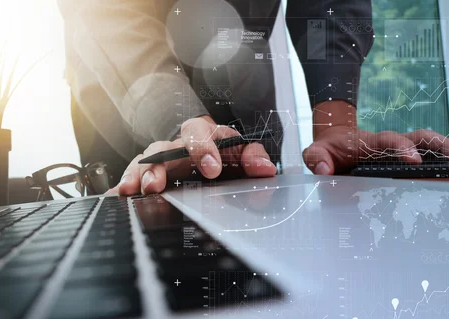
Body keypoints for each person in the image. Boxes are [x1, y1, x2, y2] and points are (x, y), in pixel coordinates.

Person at [58, 0, 449, 196]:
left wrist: (336, 126)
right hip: (131, 132)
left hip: (250, 136)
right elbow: (109, 11)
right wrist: (178, 122)